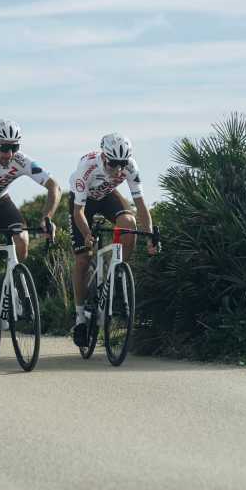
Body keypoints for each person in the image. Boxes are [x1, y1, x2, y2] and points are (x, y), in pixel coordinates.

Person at [0, 120, 61, 338]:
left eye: (14, 147)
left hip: (1, 201)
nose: (9, 154)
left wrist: (47, 217)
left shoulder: (20, 160)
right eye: (4, 148)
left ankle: (10, 287)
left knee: (22, 240)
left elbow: (54, 186)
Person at [67, 132, 156, 346]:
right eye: (113, 164)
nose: (118, 169)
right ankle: (79, 317)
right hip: (83, 204)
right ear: (104, 157)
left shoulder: (130, 166)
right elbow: (78, 212)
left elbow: (141, 204)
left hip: (107, 196)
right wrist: (87, 234)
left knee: (129, 223)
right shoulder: (87, 168)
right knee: (83, 259)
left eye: (122, 164)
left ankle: (117, 273)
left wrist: (150, 236)